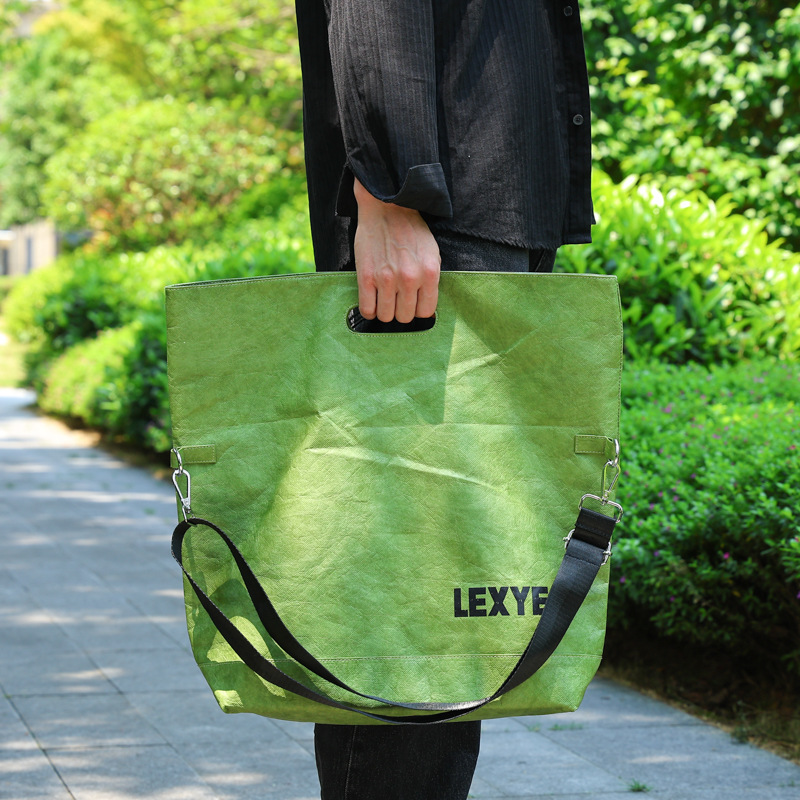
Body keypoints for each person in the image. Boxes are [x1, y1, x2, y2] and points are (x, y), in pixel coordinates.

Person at [294, 1, 595, 797]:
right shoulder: (409, 202)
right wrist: (387, 193)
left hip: (491, 197)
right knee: (409, 614)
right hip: (439, 210)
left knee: (446, 609)